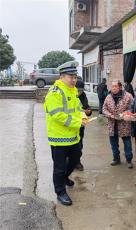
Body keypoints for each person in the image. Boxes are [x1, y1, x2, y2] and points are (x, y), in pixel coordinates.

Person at [44, 61, 87, 206]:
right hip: (59, 137)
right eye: (71, 77)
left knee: (75, 159)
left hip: (73, 135)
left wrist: (83, 116)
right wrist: (77, 122)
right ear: (62, 76)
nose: (74, 80)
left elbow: (78, 108)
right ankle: (60, 191)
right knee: (59, 167)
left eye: (75, 77)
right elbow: (58, 115)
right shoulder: (55, 92)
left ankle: (64, 178)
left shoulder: (72, 90)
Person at [103, 80, 134, 168]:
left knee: (127, 144)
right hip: (112, 125)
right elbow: (104, 109)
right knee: (113, 144)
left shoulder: (128, 96)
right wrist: (110, 115)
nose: (113, 88)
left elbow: (132, 108)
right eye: (112, 86)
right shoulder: (108, 97)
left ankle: (129, 160)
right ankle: (116, 159)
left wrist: (125, 113)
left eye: (115, 86)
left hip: (124, 124)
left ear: (120, 87)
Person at [75, 79, 92, 171]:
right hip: (71, 125)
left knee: (79, 144)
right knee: (70, 146)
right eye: (78, 90)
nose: (80, 92)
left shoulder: (83, 96)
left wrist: (88, 111)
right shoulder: (70, 96)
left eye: (81, 90)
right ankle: (69, 162)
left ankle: (77, 162)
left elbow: (87, 106)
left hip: (81, 125)